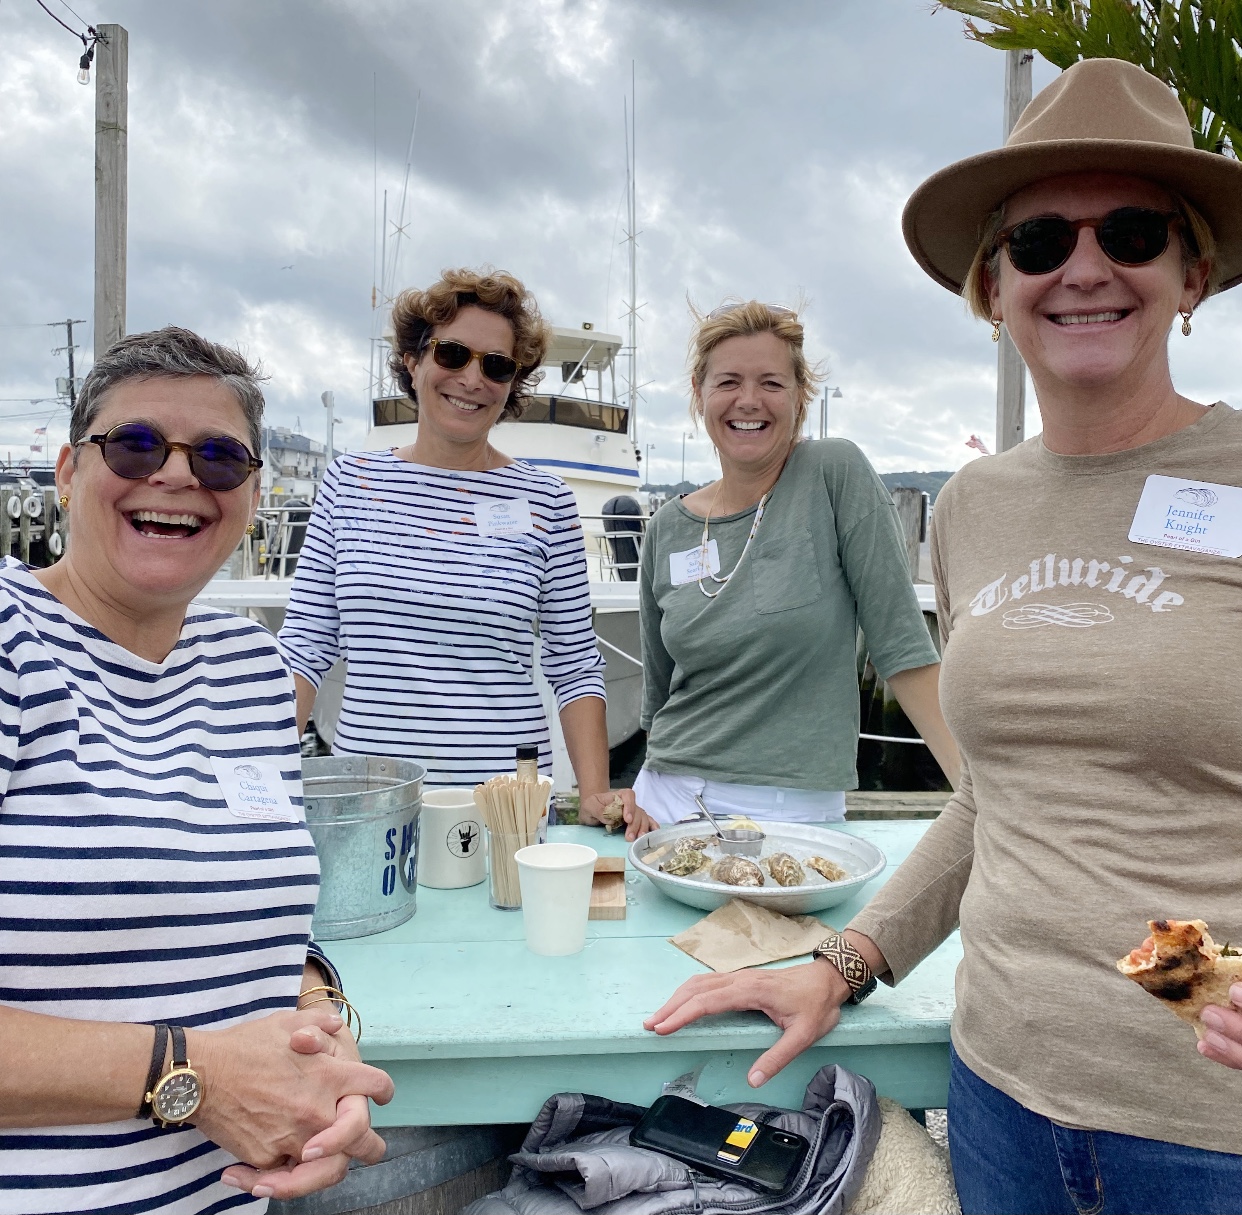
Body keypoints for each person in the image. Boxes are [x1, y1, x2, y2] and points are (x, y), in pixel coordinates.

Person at [645, 59, 1242, 1214]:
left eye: (1128, 230)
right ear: (991, 284)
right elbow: (992, 800)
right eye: (1036, 243)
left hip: (1211, 1130)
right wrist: (845, 964)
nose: (1082, 268)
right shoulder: (977, 507)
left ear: (1191, 270)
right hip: (1004, 1093)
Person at [0, 327, 394, 1213]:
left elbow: (257, 918)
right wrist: (195, 1075)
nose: (176, 475)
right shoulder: (11, 644)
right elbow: (203, 1062)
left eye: (219, 458)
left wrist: (317, 1017)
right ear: (67, 471)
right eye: (136, 444)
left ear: (250, 493)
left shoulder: (253, 670)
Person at [279, 268, 652, 839]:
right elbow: (305, 645)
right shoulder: (347, 482)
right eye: (452, 354)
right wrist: (261, 774)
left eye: (496, 365)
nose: (472, 378)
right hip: (374, 801)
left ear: (512, 384)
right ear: (413, 360)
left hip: (508, 810)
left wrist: (596, 792)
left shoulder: (547, 500)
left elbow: (575, 663)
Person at [635, 301, 959, 825]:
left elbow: (902, 647)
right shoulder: (666, 530)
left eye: (771, 382)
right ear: (699, 395)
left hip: (792, 808)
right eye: (727, 382)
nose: (748, 400)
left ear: (800, 397)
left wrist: (982, 803)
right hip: (665, 797)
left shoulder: (833, 474)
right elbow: (657, 694)